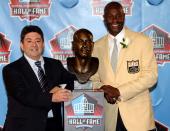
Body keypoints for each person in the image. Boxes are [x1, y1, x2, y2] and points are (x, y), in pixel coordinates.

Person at [91, 2, 158, 131]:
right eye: (110, 16)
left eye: (118, 16)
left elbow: (151, 76)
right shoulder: (96, 47)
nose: (115, 20)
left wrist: (120, 91)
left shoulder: (142, 41)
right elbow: (93, 79)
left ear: (124, 16)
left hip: (139, 120)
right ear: (104, 19)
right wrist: (103, 89)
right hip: (110, 119)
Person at [2, 25, 75, 131]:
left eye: (38, 41)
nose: (34, 45)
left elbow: (72, 81)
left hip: (53, 126)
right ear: (22, 45)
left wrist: (59, 88)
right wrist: (51, 96)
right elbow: (23, 95)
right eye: (29, 41)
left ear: (43, 44)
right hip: (23, 127)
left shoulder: (55, 64)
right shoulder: (11, 69)